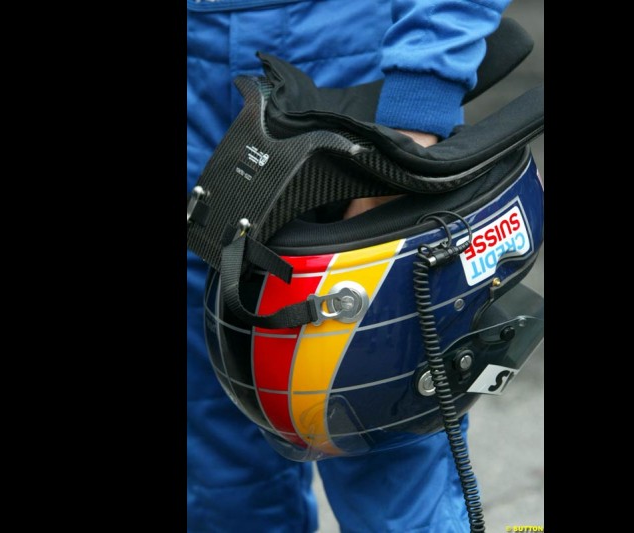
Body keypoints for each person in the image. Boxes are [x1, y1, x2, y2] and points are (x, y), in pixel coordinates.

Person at [187, 1, 512, 530]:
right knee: (225, 492)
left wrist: (410, 121)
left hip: (347, 84)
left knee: (391, 477)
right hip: (199, 99)